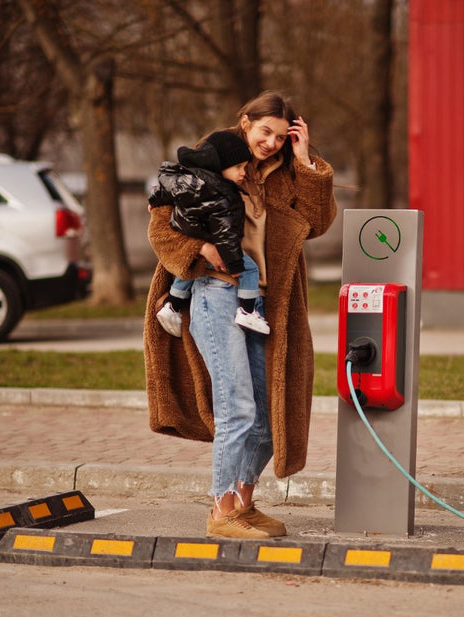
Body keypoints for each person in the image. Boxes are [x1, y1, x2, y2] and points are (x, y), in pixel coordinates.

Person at [144, 91, 336, 539]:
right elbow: (160, 223)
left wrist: (306, 162)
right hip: (215, 292)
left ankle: (244, 504)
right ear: (245, 122)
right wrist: (200, 250)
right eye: (263, 131)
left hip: (268, 304)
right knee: (238, 406)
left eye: (279, 135)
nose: (269, 142)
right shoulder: (213, 158)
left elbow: (320, 222)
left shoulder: (288, 172)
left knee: (271, 414)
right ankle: (221, 510)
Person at [148, 130, 270, 338]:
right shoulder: (222, 196)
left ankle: (173, 304)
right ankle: (248, 310)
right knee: (250, 270)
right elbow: (225, 234)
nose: (244, 173)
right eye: (239, 167)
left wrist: (154, 201)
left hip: (189, 230)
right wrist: (234, 264)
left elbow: (166, 189)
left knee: (195, 265)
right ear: (220, 166)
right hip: (210, 239)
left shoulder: (189, 178)